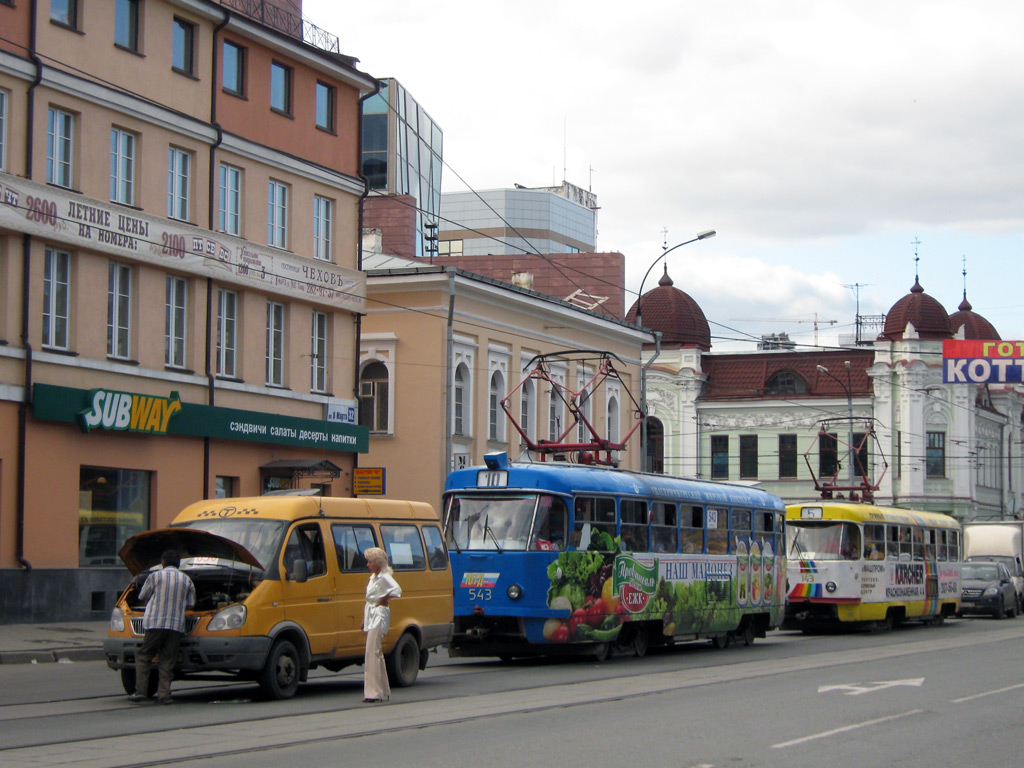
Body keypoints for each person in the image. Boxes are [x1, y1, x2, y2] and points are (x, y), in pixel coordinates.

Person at [128, 549, 196, 704]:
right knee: (167, 660)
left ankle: (140, 691)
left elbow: (142, 596)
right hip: (176, 626)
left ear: (163, 562)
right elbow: (191, 603)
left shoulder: (155, 576)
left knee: (144, 655)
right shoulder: (187, 580)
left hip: (155, 623)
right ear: (178, 563)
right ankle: (164, 695)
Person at [362, 546, 402, 703]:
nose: (367, 565)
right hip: (371, 614)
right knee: (375, 652)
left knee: (372, 652)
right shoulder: (373, 577)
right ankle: (382, 690)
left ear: (377, 563)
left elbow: (397, 590)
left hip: (379, 615)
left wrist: (385, 599)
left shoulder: (385, 577)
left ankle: (374, 692)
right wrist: (363, 619)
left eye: (370, 562)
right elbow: (369, 599)